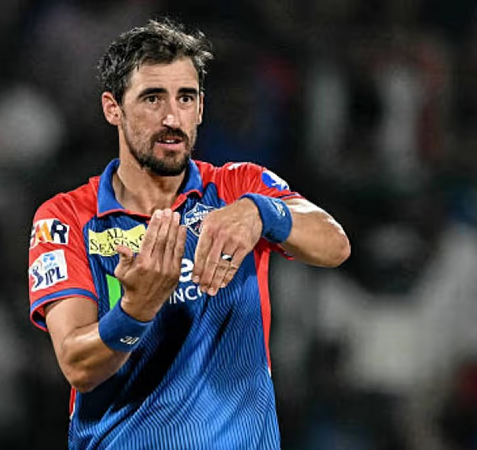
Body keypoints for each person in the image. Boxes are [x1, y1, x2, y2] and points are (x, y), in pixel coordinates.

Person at [27, 19, 350, 449]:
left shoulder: (238, 187)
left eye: (186, 97)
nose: (171, 117)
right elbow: (77, 365)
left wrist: (261, 212)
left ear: (200, 108)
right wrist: (136, 310)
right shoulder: (66, 217)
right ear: (113, 108)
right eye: (152, 98)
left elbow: (335, 245)